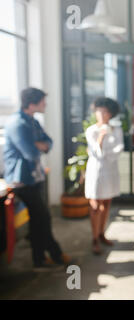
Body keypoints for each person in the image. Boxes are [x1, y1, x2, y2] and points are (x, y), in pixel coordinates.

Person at [3, 87, 73, 271]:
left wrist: (40, 145)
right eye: (43, 101)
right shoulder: (18, 123)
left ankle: (40, 259)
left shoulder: (33, 121)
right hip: (22, 180)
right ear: (32, 103)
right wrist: (38, 145)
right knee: (43, 218)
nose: (46, 104)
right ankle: (55, 254)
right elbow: (31, 152)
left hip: (35, 176)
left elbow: (48, 142)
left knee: (38, 219)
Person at [84, 97, 124, 255]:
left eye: (105, 111)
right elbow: (95, 153)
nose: (101, 114)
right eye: (98, 111)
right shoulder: (91, 130)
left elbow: (119, 149)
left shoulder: (117, 129)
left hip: (111, 170)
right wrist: (100, 139)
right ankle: (94, 238)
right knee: (95, 204)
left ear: (110, 113)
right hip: (96, 170)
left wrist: (104, 153)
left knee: (106, 202)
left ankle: (101, 234)